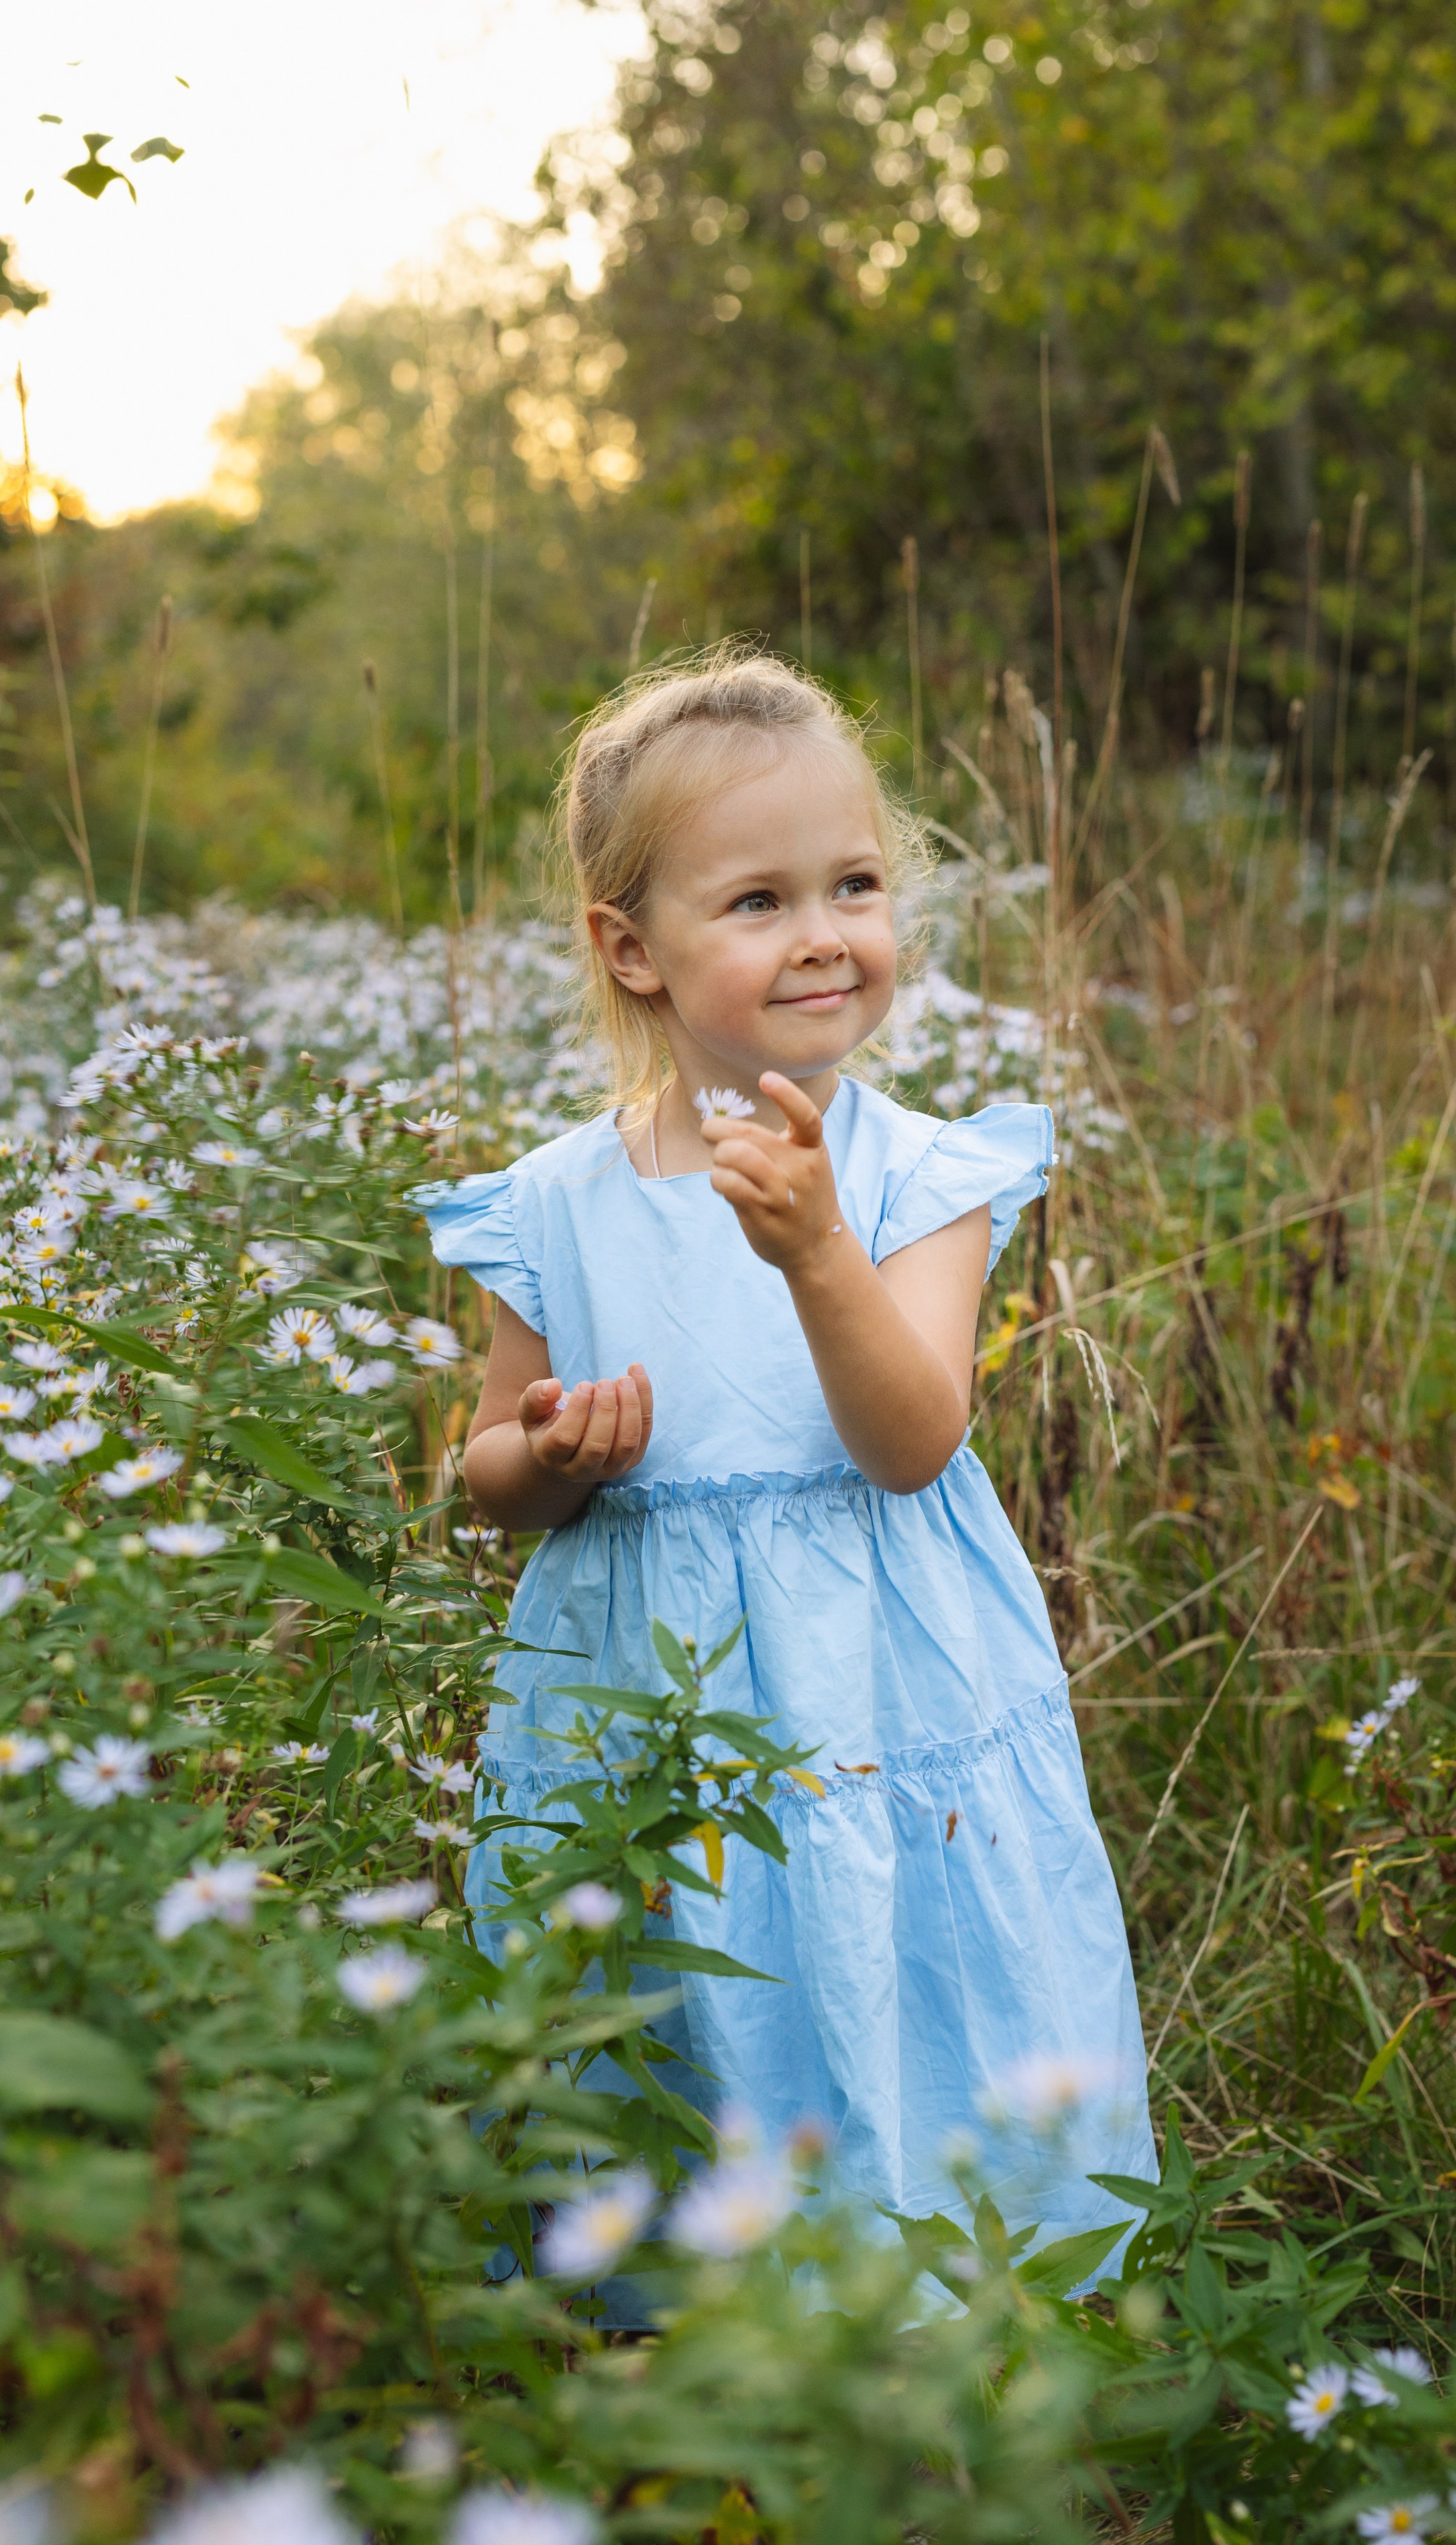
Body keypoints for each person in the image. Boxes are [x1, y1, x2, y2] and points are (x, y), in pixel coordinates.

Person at [420, 649, 1153, 2276]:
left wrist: (817, 1249)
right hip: (643, 1696)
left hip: (882, 1687)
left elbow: (911, 1442)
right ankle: (674, 2305)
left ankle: (938, 2284)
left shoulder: (914, 1177)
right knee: (674, 1965)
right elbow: (487, 1472)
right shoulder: (551, 1205)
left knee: (887, 1940)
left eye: (853, 885)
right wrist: (553, 1454)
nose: (822, 933)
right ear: (631, 948)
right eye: (757, 901)